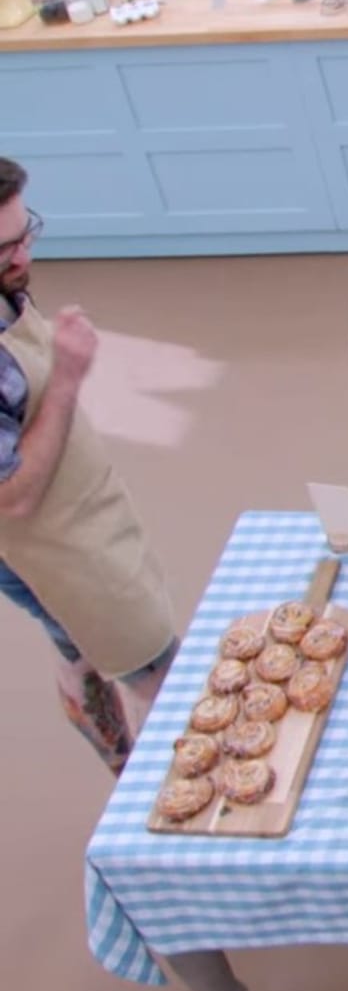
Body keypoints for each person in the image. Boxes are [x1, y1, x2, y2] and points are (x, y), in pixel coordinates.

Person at [0, 156, 178, 774]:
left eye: (24, 233)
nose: (23, 256)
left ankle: (119, 761)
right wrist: (68, 377)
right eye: (4, 250)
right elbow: (12, 498)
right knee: (159, 672)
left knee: (73, 641)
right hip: (50, 543)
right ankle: (156, 796)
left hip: (78, 513)